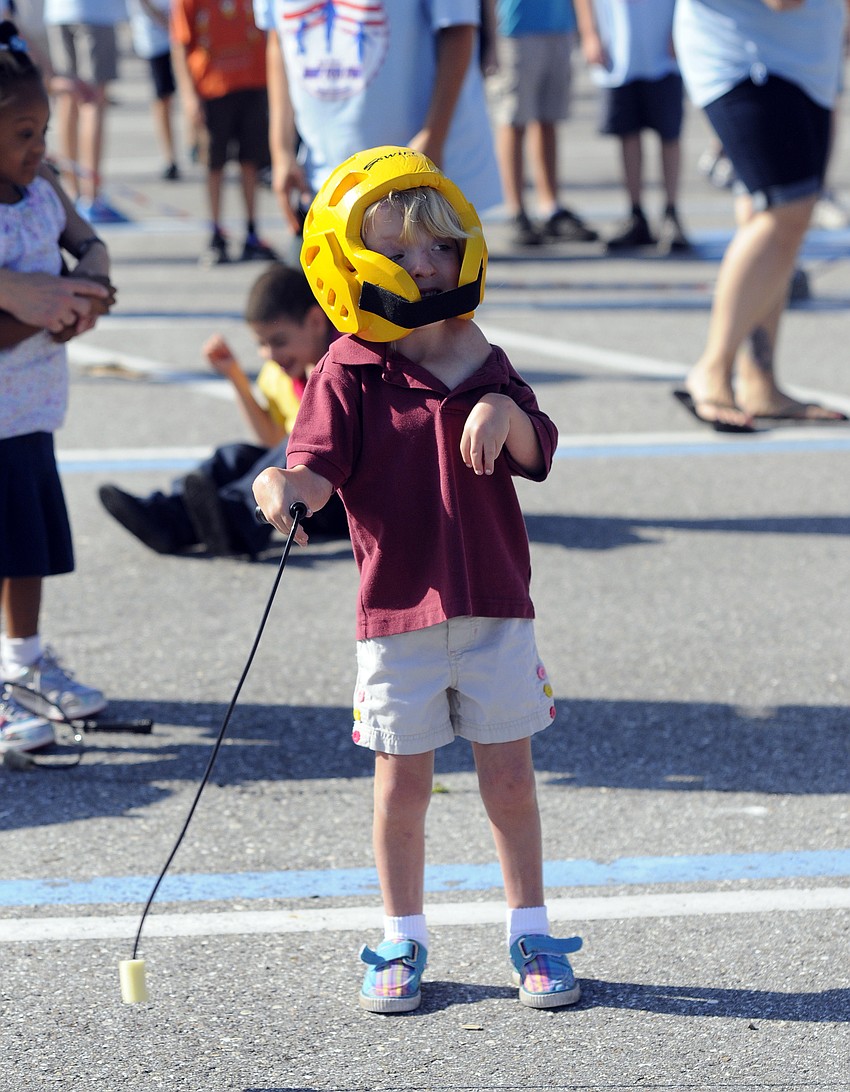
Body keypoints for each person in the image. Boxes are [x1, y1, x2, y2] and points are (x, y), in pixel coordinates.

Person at [254, 146, 582, 1013]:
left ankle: (532, 929)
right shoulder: (347, 369)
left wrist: (505, 410)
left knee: (509, 781)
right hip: (396, 617)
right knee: (401, 787)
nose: (424, 265)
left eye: (435, 246)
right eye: (400, 255)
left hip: (497, 608)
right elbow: (317, 472)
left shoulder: (485, 357)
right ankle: (402, 935)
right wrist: (282, 486)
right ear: (350, 265)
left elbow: (540, 447)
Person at [0, 21, 116, 753]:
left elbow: (86, 244)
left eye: (43, 129)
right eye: (22, 133)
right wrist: (42, 311)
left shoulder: (39, 192)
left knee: (28, 550)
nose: (40, 145)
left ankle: (26, 662)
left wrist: (90, 286)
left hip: (32, 412)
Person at [671, 0, 848, 429]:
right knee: (786, 212)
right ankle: (712, 370)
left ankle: (759, 382)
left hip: (804, 63)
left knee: (770, 216)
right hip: (748, 62)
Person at [98, 263, 347, 557]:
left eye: (279, 341)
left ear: (317, 321)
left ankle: (238, 521)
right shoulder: (279, 372)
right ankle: (171, 517)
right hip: (305, 494)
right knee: (233, 456)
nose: (271, 354)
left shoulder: (346, 364)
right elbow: (270, 439)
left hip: (340, 500)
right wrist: (236, 378)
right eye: (262, 344)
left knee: (296, 447)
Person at [254, 0, 502, 239]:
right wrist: (281, 150)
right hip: (321, 182)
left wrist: (433, 137)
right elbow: (278, 38)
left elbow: (459, 30)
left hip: (416, 184)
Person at [574, 0, 690, 253]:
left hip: (663, 46)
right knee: (628, 133)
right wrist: (589, 33)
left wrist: (681, 28)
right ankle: (636, 214)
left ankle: (671, 213)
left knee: (669, 133)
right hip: (617, 44)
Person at [170, 0, 278, 266]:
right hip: (211, 86)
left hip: (252, 82)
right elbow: (180, 42)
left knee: (250, 161)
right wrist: (188, 96)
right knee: (214, 164)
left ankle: (252, 231)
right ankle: (216, 232)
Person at [488, 0, 599, 247]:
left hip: (559, 26)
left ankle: (550, 207)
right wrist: (490, 37)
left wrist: (587, 28)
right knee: (513, 120)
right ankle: (516, 211)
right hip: (514, 28)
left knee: (548, 120)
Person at [43, 0, 128, 224]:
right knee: (92, 100)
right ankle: (91, 198)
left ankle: (73, 192)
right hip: (94, 12)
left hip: (58, 11)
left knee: (68, 97)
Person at [126, 0, 180, 181]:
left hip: (186, 26)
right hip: (156, 36)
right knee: (162, 97)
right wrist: (165, 21)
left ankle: (198, 145)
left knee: (199, 92)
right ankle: (169, 158)